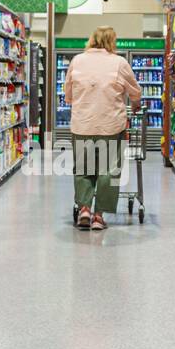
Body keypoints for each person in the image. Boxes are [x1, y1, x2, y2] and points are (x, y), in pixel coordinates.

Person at [63, 26, 142, 230]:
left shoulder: (77, 61)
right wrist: (135, 104)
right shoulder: (119, 62)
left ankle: (85, 210)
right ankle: (99, 216)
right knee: (109, 171)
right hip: (110, 127)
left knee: (83, 169)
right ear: (111, 42)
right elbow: (135, 92)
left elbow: (68, 95)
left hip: (82, 125)